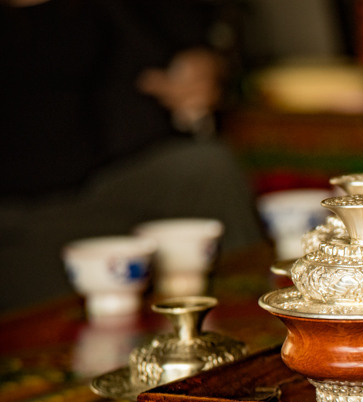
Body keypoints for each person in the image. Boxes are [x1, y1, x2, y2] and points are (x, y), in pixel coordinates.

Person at [0, 0, 264, 312]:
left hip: (102, 181)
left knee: (207, 168)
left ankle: (259, 322)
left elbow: (196, 40)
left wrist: (204, 69)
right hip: (15, 214)